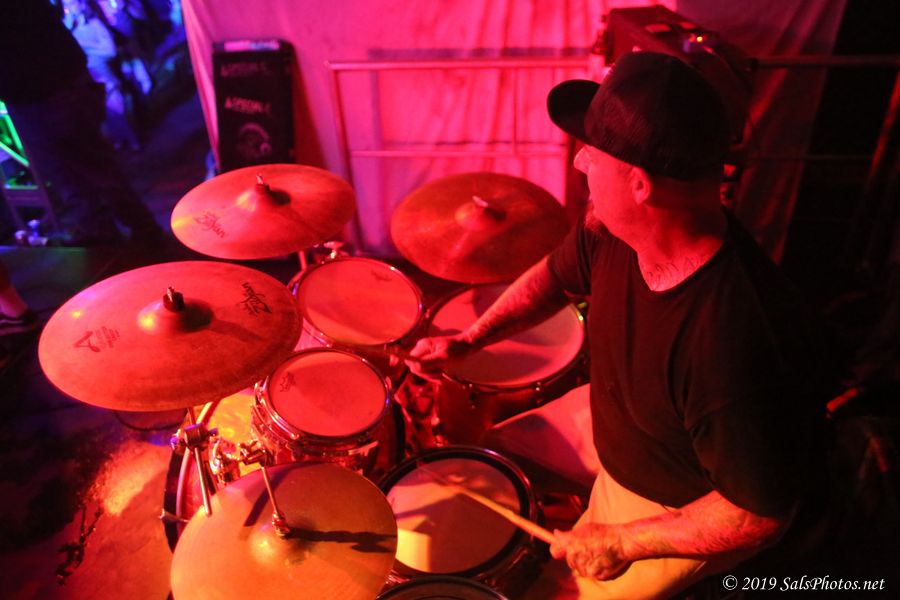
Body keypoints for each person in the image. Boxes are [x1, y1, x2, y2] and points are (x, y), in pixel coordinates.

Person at [408, 51, 827, 598]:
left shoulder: (732, 341)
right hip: (617, 427)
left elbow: (757, 513)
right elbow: (555, 276)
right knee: (491, 462)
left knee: (557, 594)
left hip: (675, 502)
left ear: (640, 185)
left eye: (595, 153)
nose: (581, 163)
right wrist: (470, 340)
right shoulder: (611, 233)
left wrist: (625, 541)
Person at [0, 0, 163, 246]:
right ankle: (125, 238)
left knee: (85, 174)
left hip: (45, 88)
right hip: (51, 84)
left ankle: (134, 240)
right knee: (85, 173)